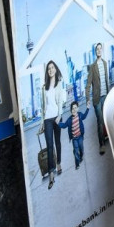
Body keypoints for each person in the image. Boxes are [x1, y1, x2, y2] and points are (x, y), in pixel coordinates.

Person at [39, 60, 66, 189]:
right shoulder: (44, 87)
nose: (50, 70)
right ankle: (51, 173)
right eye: (48, 68)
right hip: (47, 119)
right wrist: (42, 123)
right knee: (50, 146)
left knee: (58, 142)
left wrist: (60, 115)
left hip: (57, 117)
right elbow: (42, 106)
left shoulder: (59, 84)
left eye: (52, 67)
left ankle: (59, 163)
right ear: (47, 71)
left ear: (55, 69)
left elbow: (60, 101)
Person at [85, 43, 110, 155]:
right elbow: (88, 84)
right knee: (100, 121)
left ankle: (107, 136)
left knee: (106, 118)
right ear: (95, 52)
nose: (99, 51)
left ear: (102, 51)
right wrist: (87, 98)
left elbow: (107, 80)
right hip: (97, 98)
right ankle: (101, 145)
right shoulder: (92, 67)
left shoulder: (105, 63)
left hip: (106, 96)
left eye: (100, 49)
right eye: (97, 49)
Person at [58, 101, 90, 170]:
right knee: (76, 151)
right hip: (74, 138)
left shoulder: (80, 115)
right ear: (70, 111)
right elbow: (64, 125)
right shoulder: (69, 120)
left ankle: (81, 156)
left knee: (81, 148)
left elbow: (84, 116)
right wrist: (58, 123)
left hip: (80, 136)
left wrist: (87, 108)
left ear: (78, 109)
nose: (74, 110)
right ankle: (77, 164)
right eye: (72, 109)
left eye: (75, 108)